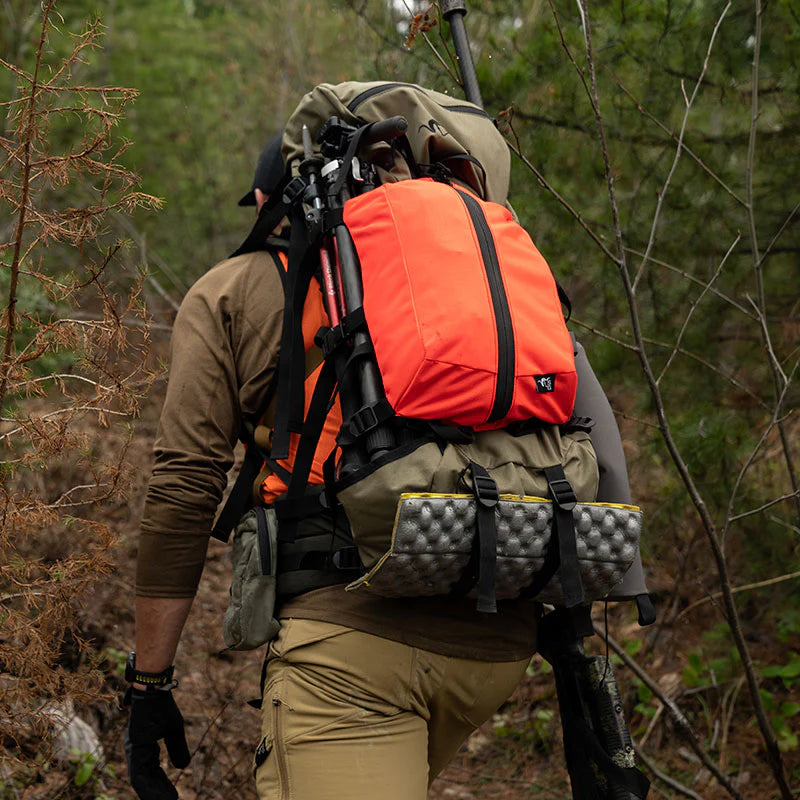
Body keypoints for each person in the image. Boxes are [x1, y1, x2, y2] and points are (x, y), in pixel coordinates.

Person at [125, 132, 646, 800]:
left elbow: (184, 484)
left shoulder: (233, 291)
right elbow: (588, 431)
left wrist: (151, 681)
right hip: (499, 642)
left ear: (265, 198)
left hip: (349, 654)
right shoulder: (483, 277)